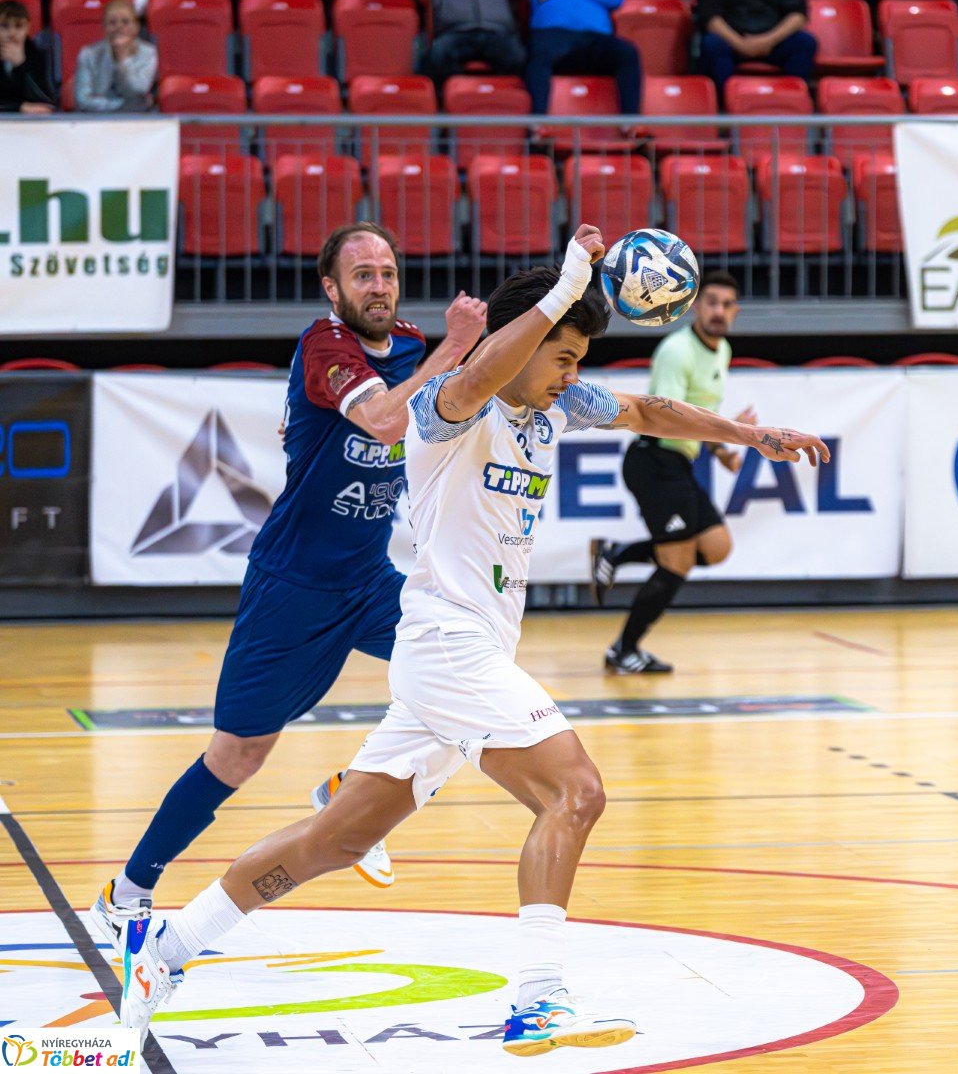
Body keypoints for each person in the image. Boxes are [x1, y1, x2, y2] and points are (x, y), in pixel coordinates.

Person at [119, 226, 829, 1055]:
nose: (573, 372)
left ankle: (163, 956)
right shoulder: (446, 406)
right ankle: (540, 998)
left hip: (462, 654)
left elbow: (647, 408)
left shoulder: (555, 402)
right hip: (450, 645)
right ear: (519, 340)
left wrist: (752, 436)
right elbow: (482, 371)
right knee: (576, 793)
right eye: (562, 353)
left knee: (335, 839)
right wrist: (558, 294)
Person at [91, 223, 488, 949]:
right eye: (362, 274)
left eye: (389, 272)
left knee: (466, 671)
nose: (379, 284)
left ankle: (350, 797)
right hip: (293, 586)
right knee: (237, 756)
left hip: (368, 578)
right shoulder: (325, 347)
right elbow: (384, 417)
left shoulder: (408, 345)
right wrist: (456, 347)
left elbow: (456, 403)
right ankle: (127, 891)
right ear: (332, 289)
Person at [591, 270, 750, 674]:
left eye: (727, 304)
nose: (719, 311)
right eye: (711, 301)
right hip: (654, 460)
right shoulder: (677, 351)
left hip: (678, 462)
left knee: (716, 547)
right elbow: (666, 418)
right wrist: (731, 431)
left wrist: (719, 451)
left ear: (736, 311)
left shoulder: (722, 350)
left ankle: (617, 553)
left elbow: (696, 416)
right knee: (676, 561)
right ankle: (624, 650)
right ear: (695, 306)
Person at [525, 0, 642, 116]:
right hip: (553, 33)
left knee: (627, 53)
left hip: (596, 38)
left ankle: (631, 124)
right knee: (539, 53)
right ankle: (537, 124)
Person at [694, 0, 815, 92]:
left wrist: (767, 41)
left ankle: (792, 100)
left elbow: (798, 15)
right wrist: (740, 44)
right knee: (711, 44)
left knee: (804, 43)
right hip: (731, 40)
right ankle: (723, 106)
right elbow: (709, 17)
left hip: (773, 41)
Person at [419, 0, 526, 87]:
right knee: (436, 55)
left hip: (496, 31)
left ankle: (499, 93)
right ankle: (454, 93)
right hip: (456, 31)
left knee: (518, 56)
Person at [74, 0, 157, 111]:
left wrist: (122, 59)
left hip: (136, 120)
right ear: (104, 27)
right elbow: (83, 101)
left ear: (136, 27)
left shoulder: (148, 53)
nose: (119, 27)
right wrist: (120, 105)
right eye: (112, 22)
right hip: (96, 120)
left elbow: (137, 91)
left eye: (125, 22)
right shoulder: (88, 55)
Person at [0, 0, 54, 113]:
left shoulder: (37, 55)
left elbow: (46, 101)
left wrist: (22, 65)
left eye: (19, 26)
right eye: (5, 26)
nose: (12, 33)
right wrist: (19, 107)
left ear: (28, 27)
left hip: (30, 125)